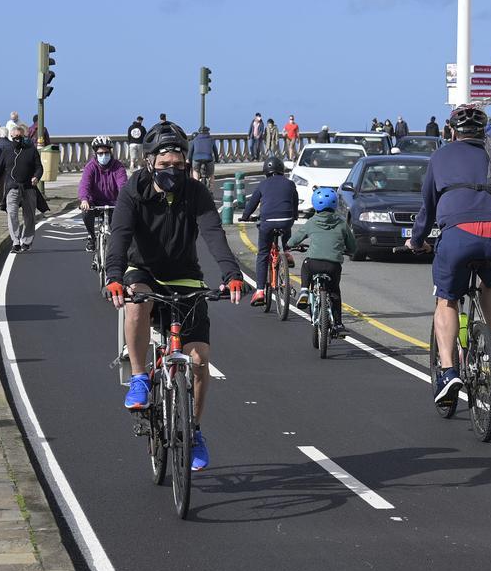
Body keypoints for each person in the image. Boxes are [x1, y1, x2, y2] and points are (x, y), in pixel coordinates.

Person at [103, 121, 244, 471]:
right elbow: (119, 235)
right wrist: (114, 276)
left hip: (185, 275)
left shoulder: (195, 193)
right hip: (144, 270)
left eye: (180, 167)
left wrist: (232, 274)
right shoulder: (133, 190)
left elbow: (213, 233)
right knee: (138, 300)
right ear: (149, 162)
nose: (173, 172)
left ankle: (193, 431)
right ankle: (138, 378)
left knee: (198, 361)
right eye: (165, 166)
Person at [408, 105, 491, 404]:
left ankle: (447, 372)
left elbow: (428, 209)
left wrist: (416, 241)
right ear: (485, 131)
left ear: (451, 131)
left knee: (447, 298)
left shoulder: (440, 156)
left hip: (458, 235)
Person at [290, 187, 356, 337]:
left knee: (306, 263)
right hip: (333, 266)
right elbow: (353, 246)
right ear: (335, 204)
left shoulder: (311, 222)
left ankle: (305, 290)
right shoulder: (341, 223)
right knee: (334, 292)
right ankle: (338, 323)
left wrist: (289, 244)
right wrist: (349, 250)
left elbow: (295, 239)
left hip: (314, 264)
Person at [238, 156, 299, 307]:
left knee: (263, 254)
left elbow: (252, 203)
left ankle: (259, 291)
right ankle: (287, 250)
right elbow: (295, 201)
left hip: (267, 222)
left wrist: (245, 217)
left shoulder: (263, 184)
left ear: (266, 171)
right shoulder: (290, 184)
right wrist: (294, 215)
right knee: (287, 225)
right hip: (286, 220)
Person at [0, 123, 43, 252]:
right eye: (15, 137)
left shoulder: (31, 150)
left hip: (29, 188)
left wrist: (36, 177)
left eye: (20, 137)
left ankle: (27, 241)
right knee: (12, 214)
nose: (17, 139)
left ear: (23, 136)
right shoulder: (6, 151)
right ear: (11, 137)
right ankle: (16, 241)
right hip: (12, 188)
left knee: (29, 216)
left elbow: (39, 167)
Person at [79, 136, 128, 252]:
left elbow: (123, 185)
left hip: (114, 203)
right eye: (100, 153)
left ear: (111, 152)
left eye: (106, 153)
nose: (103, 156)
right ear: (95, 154)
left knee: (119, 227)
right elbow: (84, 184)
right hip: (95, 202)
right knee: (86, 213)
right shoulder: (90, 167)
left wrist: (125, 200)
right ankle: (91, 237)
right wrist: (84, 200)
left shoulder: (118, 167)